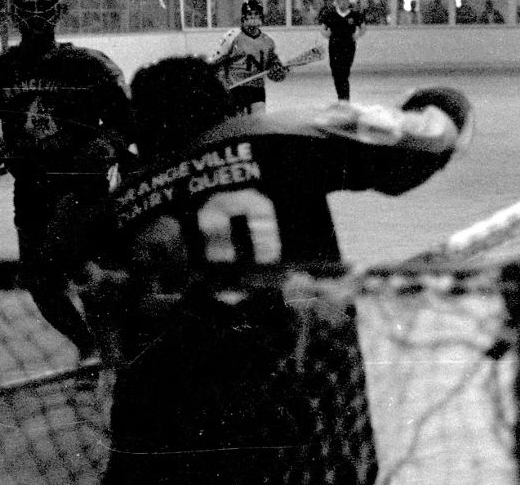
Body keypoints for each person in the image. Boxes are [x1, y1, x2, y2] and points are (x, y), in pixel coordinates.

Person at [82, 55, 472, 484]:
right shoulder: (279, 137)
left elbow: (110, 335)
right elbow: (430, 140)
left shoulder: (120, 205)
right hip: (301, 399)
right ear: (225, 108)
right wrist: (440, 103)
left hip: (171, 419)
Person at [0, 0, 134, 360]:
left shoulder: (86, 65)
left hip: (84, 188)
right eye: (27, 6)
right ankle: (92, 348)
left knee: (89, 273)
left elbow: (125, 118)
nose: (35, 15)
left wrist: (109, 143)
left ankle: (109, 348)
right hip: (31, 189)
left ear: (59, 11)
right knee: (39, 280)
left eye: (43, 6)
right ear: (14, 13)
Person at [209, 0, 287, 115]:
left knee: (258, 121)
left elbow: (274, 70)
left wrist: (278, 70)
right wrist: (219, 85)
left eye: (256, 14)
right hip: (235, 88)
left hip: (257, 89)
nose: (253, 17)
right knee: (238, 122)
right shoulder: (232, 37)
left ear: (261, 16)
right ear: (243, 17)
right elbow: (215, 62)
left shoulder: (268, 41)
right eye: (250, 14)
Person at [320, 0, 366, 101]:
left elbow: (363, 27)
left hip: (348, 46)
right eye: (341, 1)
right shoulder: (330, 14)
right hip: (334, 46)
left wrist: (357, 35)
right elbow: (323, 28)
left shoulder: (354, 15)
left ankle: (345, 98)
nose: (343, 3)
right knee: (336, 72)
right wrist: (326, 34)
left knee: (344, 72)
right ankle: (341, 96)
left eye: (345, 1)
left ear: (348, 2)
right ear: (337, 3)